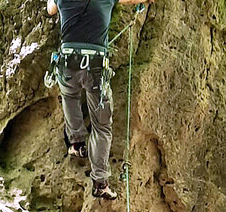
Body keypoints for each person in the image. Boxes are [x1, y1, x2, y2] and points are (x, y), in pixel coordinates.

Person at [46, 0, 155, 200]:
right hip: (96, 67)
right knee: (101, 126)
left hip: (68, 62)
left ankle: (77, 143)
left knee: (69, 96)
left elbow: (50, 9)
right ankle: (100, 183)